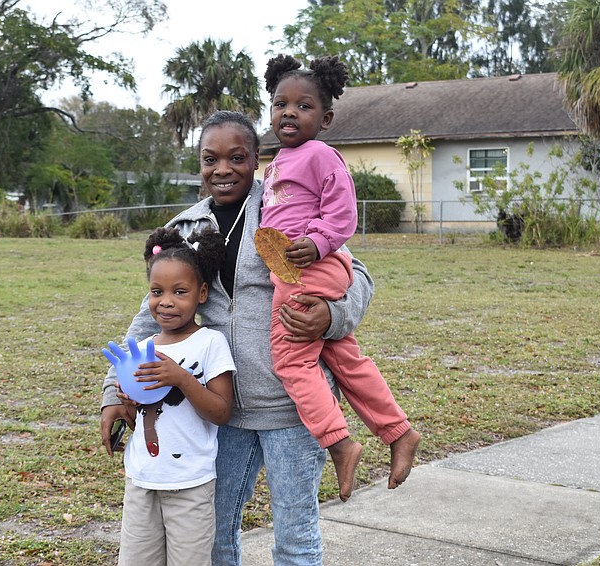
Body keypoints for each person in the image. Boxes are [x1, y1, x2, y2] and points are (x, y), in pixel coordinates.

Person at [100, 110, 374, 566]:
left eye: (237, 158)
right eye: (211, 159)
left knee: (295, 537)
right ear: (200, 163)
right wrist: (114, 390)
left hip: (292, 408)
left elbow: (357, 275)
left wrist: (331, 314)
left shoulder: (287, 207)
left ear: (257, 160)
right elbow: (147, 320)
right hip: (218, 415)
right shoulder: (185, 230)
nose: (223, 170)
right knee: (213, 534)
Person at [261, 54, 420, 502]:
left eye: (303, 106)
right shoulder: (276, 162)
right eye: (280, 104)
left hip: (309, 267)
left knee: (291, 359)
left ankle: (339, 443)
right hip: (297, 267)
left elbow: (342, 212)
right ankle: (398, 431)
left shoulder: (321, 155)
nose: (289, 112)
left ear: (325, 118)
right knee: (344, 357)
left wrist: (318, 241)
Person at [109, 226, 236, 566]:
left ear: (202, 293)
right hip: (142, 479)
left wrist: (181, 378)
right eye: (156, 291)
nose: (166, 301)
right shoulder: (144, 349)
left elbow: (222, 411)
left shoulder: (210, 343)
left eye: (180, 292)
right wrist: (128, 401)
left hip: (191, 485)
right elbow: (142, 414)